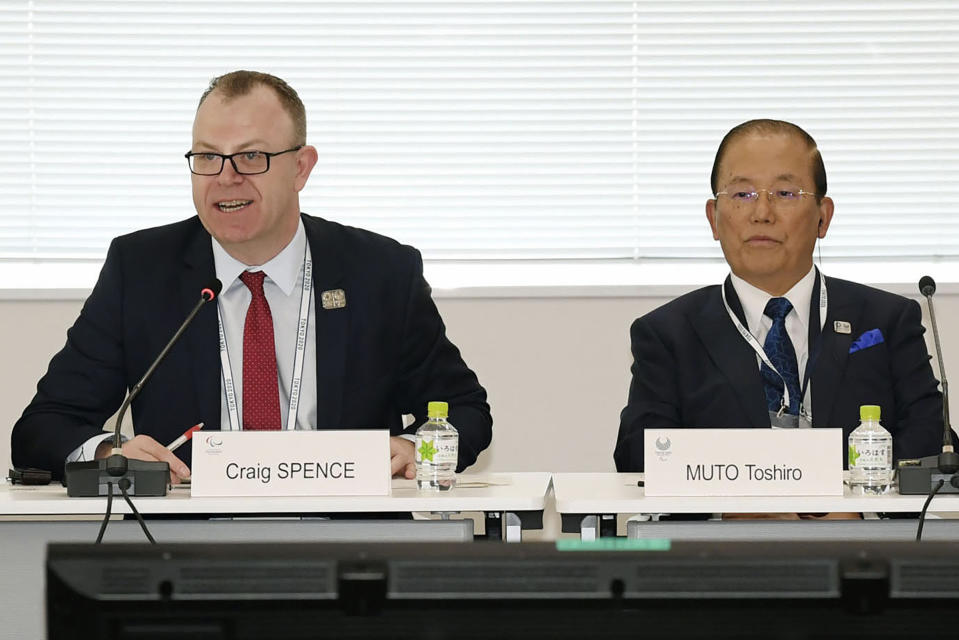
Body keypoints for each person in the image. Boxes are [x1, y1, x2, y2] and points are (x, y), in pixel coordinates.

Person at [12, 70, 492, 482]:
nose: (225, 177)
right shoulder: (141, 270)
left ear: (301, 168)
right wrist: (108, 454)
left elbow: (464, 412)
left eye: (250, 157)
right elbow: (43, 427)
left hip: (347, 543)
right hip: (187, 547)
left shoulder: (380, 272)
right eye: (207, 157)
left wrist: (413, 449)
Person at [615, 119, 944, 481]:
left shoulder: (885, 322)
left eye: (785, 194)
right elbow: (639, 458)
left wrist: (847, 502)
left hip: (853, 532)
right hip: (721, 535)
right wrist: (738, 499)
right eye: (742, 195)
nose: (762, 213)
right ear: (714, 218)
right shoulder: (668, 335)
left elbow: (932, 442)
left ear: (823, 216)